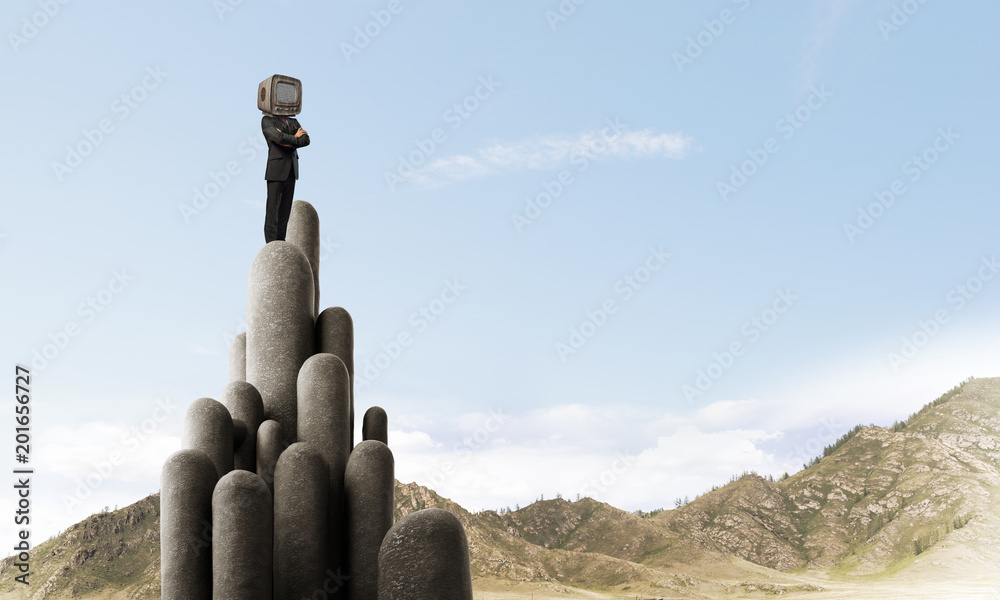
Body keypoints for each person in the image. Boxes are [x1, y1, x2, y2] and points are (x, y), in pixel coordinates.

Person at [261, 112, 309, 242]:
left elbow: (306, 140)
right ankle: (270, 245)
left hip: (291, 171)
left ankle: (281, 242)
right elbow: (277, 137)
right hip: (276, 169)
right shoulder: (267, 120)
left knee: (285, 211)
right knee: (273, 211)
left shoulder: (294, 122)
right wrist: (295, 138)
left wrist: (287, 141)